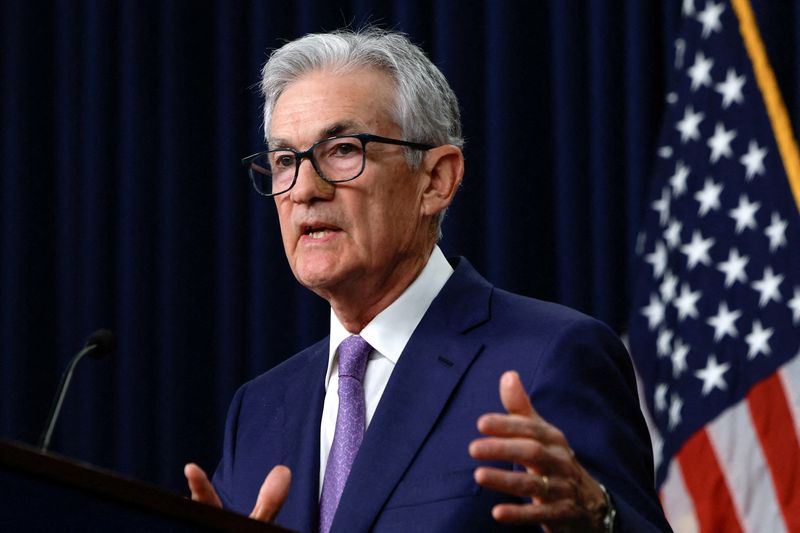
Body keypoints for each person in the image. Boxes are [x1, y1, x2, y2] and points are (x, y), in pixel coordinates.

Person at [185, 27, 672, 532]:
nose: (305, 189)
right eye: (286, 161)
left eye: (344, 150)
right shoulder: (260, 410)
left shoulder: (550, 358)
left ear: (436, 180)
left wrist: (600, 519)